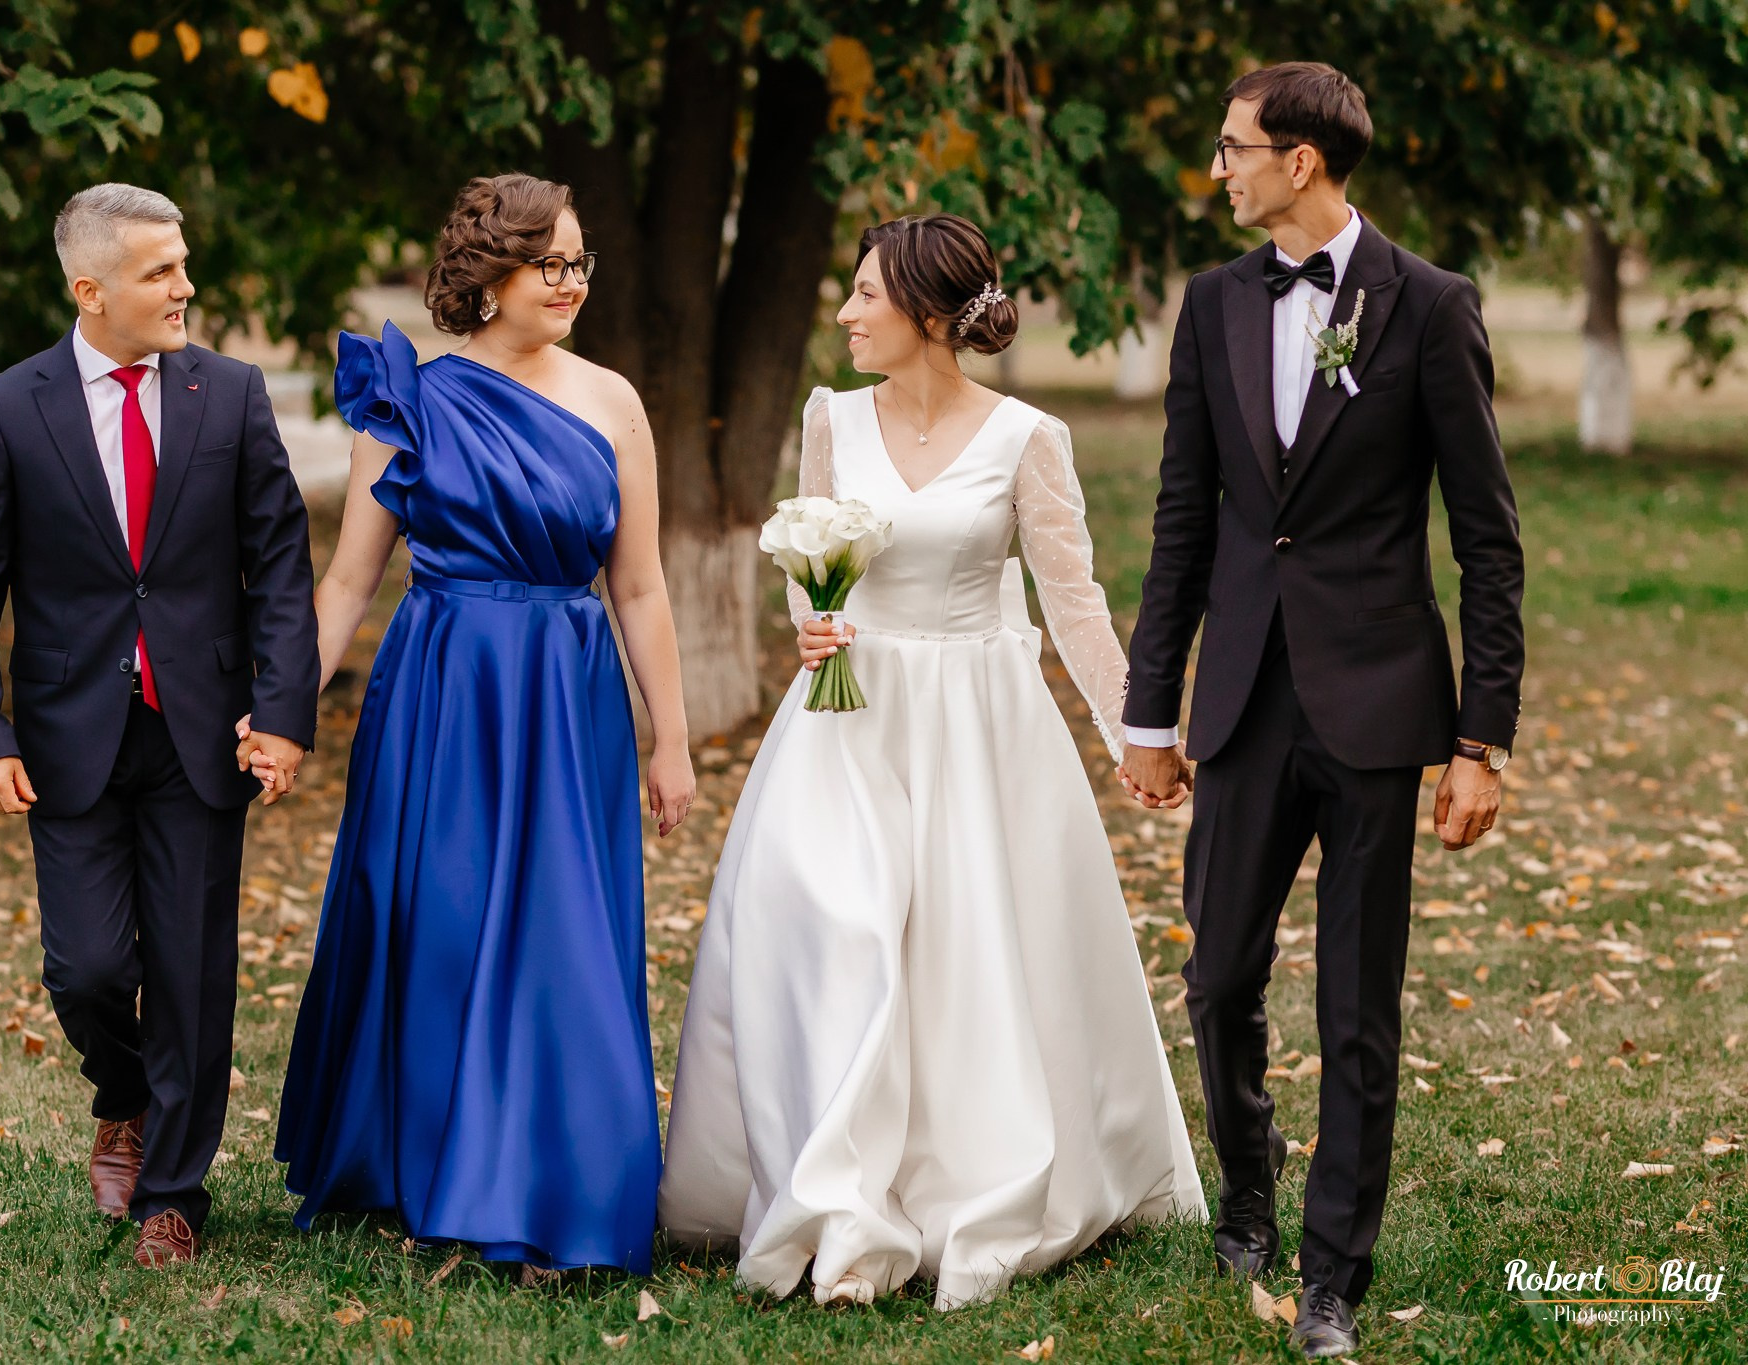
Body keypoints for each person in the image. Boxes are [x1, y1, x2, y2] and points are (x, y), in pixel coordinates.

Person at [658, 213, 1206, 1311]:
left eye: (863, 295)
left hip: (976, 729)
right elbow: (814, 566)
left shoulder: (1024, 439)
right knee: (835, 931)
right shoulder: (829, 419)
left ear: (921, 311)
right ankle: (837, 1202)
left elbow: (1074, 604)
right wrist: (808, 623)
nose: (846, 313)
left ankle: (961, 1184)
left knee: (965, 958)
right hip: (842, 720)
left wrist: (1134, 737)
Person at [1118, 64, 1525, 1358]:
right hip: (1242, 698)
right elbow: (1186, 513)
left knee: (1359, 1006)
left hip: (1381, 704)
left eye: (1236, 148)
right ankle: (1248, 1185)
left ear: (1302, 161)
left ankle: (1333, 1273)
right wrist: (1148, 707)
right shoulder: (1214, 304)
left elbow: (1489, 538)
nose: (1220, 168)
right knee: (1218, 970)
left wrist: (1482, 735)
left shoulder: (1430, 306)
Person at [271, 173, 696, 1276]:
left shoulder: (611, 402)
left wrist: (673, 739)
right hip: (440, 686)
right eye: (548, 264)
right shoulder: (408, 397)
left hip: (564, 690)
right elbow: (348, 582)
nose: (570, 284)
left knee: (560, 935)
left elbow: (639, 588)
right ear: (487, 274)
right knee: (441, 924)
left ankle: (559, 1180)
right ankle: (425, 1168)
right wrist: (285, 716)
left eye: (578, 263)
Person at [0, 183, 319, 1268]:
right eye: (159, 272)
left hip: (203, 731)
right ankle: (125, 1090)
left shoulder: (230, 394)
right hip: (66, 737)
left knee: (195, 972)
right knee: (89, 969)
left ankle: (174, 1195)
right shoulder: (9, 408)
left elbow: (280, 568)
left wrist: (283, 712)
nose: (184, 287)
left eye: (184, 264)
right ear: (89, 288)